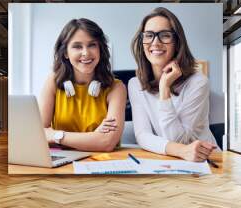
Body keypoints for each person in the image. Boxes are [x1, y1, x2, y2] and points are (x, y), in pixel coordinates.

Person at [129, 7, 217, 162]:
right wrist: (181, 151)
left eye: (164, 35)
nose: (155, 43)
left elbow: (178, 139)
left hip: (205, 161)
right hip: (168, 160)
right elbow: (143, 136)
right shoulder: (135, 84)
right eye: (149, 35)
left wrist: (164, 89)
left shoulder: (198, 82)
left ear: (177, 42)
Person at [39, 18, 126, 152]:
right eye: (77, 46)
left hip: (103, 162)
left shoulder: (116, 87)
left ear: (100, 50)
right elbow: (38, 135)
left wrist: (56, 135)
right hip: (63, 161)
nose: (86, 53)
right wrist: (93, 137)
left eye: (92, 45)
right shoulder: (53, 82)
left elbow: (106, 142)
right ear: (66, 53)